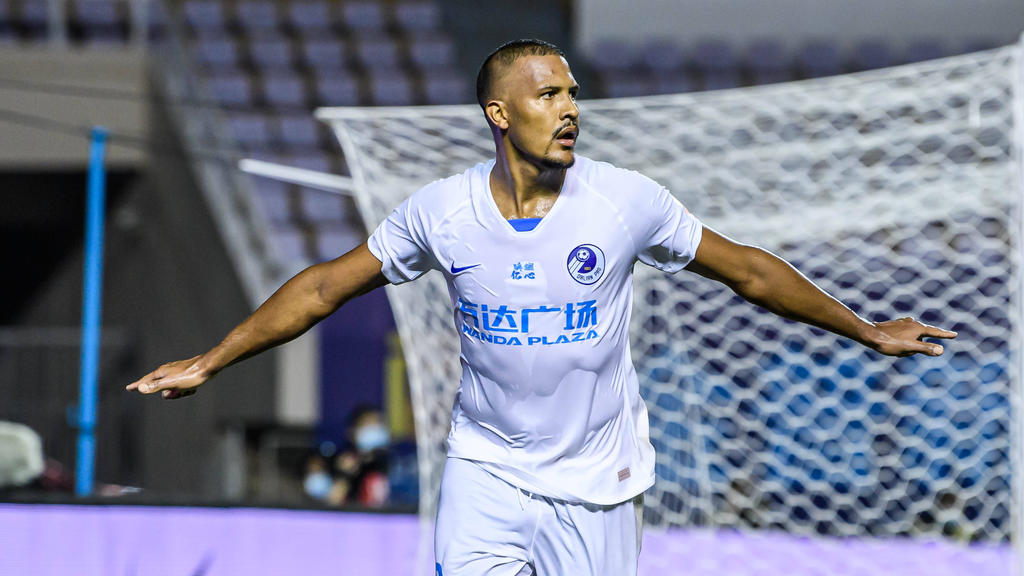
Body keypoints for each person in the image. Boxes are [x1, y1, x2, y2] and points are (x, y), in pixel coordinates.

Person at [128, 39, 956, 576]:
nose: (569, 108)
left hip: (598, 482)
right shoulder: (441, 213)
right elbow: (318, 289)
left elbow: (745, 271)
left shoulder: (624, 201)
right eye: (548, 94)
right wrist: (209, 360)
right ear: (500, 113)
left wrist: (864, 329)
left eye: (572, 92)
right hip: (487, 470)